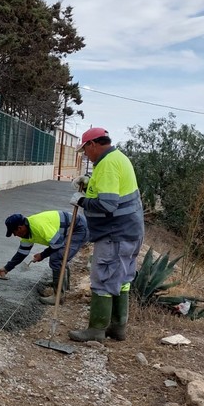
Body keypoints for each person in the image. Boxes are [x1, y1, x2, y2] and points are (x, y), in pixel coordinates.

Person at [67, 127, 145, 342]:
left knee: (103, 278)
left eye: (85, 150)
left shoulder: (108, 164)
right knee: (123, 279)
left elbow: (107, 204)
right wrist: (89, 183)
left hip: (115, 234)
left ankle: (97, 329)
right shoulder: (118, 158)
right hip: (130, 231)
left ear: (93, 144)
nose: (85, 155)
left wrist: (81, 201)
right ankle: (117, 327)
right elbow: (111, 192)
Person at [0, 210, 88, 305]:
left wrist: (42, 255)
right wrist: (5, 269)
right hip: (70, 230)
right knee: (59, 255)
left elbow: (58, 243)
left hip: (78, 228)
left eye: (14, 232)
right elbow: (21, 254)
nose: (14, 235)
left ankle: (58, 297)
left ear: (20, 228)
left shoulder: (38, 226)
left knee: (57, 258)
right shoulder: (27, 233)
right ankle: (62, 285)